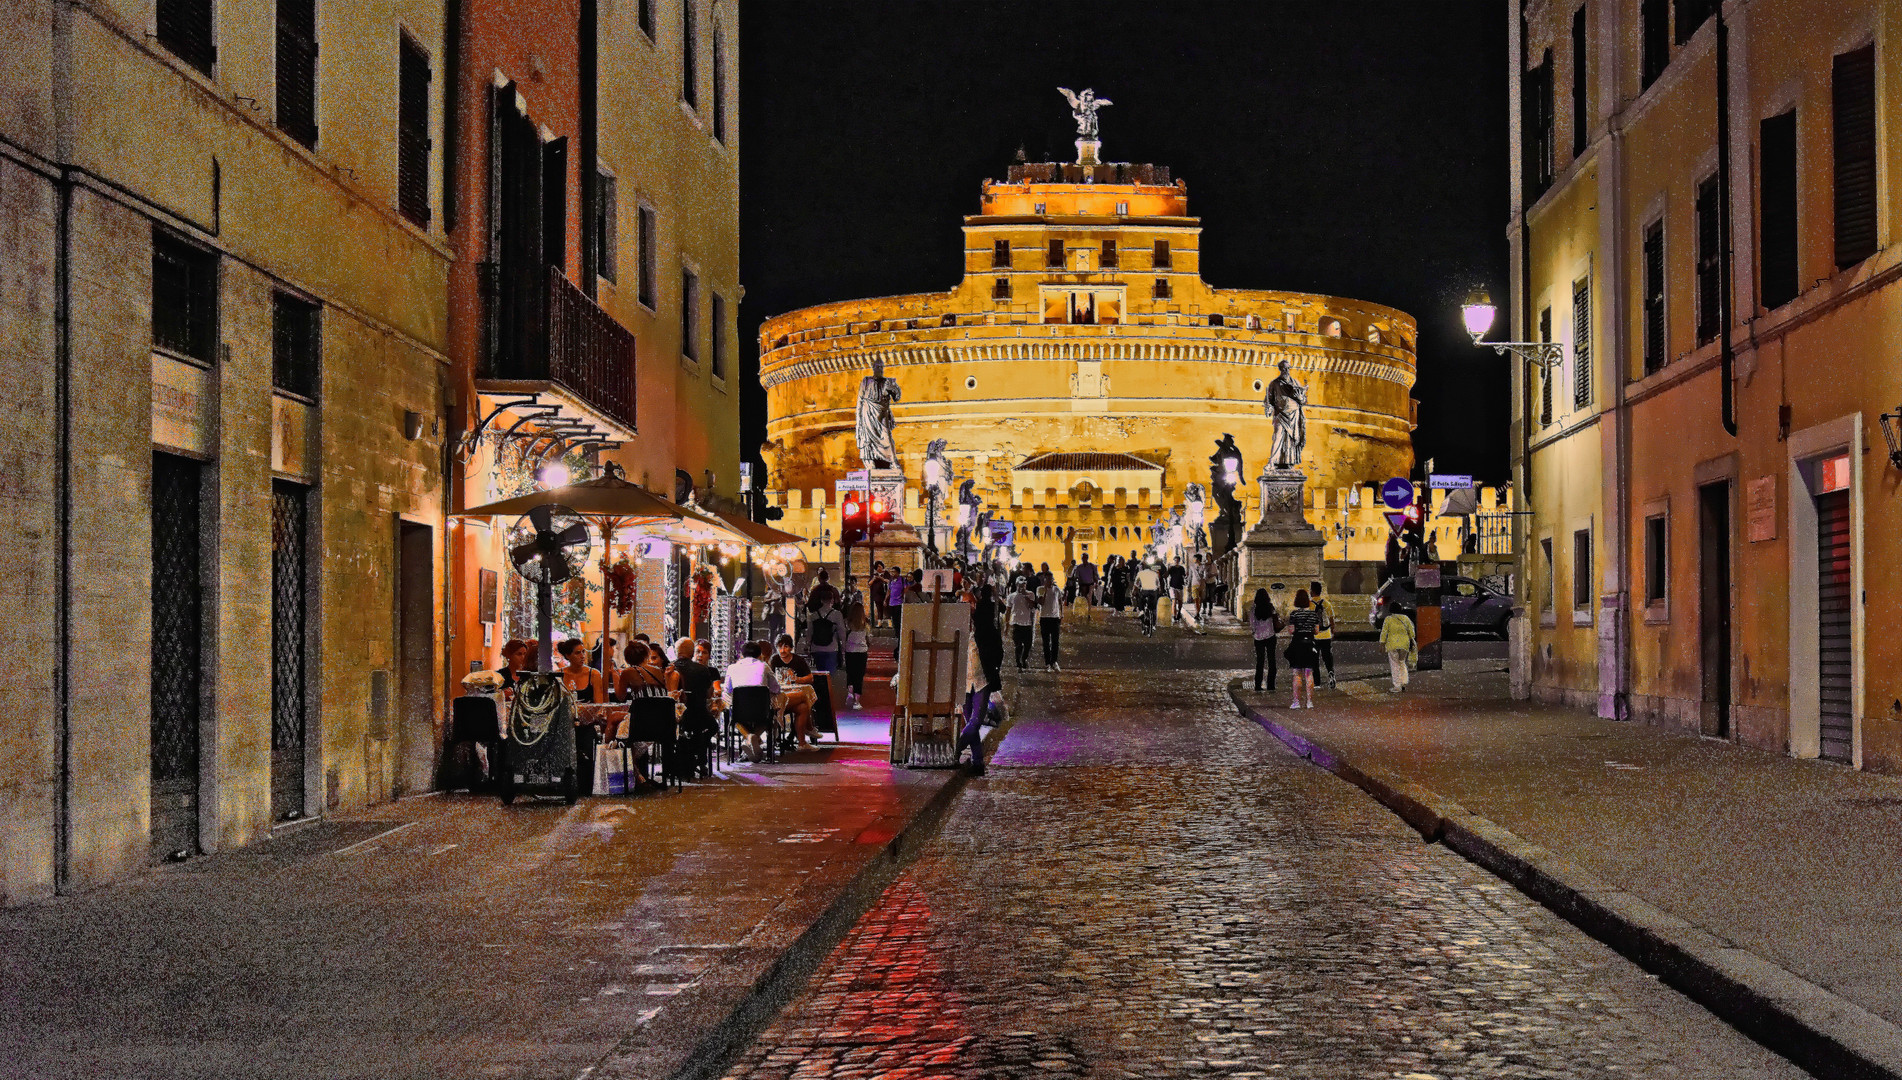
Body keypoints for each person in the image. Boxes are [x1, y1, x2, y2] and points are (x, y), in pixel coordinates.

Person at [669, 636, 721, 775]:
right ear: (692, 653)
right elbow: (709, 694)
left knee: (692, 730)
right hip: (698, 715)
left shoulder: (669, 668)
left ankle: (688, 753)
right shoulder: (702, 670)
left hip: (672, 717)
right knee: (712, 727)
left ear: (676, 651)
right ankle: (698, 753)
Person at [724, 640, 773, 760]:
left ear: (742, 655)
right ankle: (754, 736)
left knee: (734, 716)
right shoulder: (764, 666)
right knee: (767, 718)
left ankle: (748, 737)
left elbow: (727, 689)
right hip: (762, 711)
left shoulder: (732, 668)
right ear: (759, 654)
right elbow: (776, 688)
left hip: (739, 711)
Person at [769, 634, 818, 748]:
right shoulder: (774, 659)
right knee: (803, 701)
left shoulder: (798, 660)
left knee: (803, 706)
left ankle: (801, 742)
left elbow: (810, 678)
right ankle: (809, 729)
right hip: (778, 698)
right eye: (780, 647)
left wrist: (797, 679)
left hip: (790, 696)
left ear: (791, 648)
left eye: (785, 647)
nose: (782, 650)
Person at [1284, 589, 1321, 709]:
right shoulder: (1313, 614)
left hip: (1298, 644)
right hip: (1310, 644)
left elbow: (1291, 630)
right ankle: (1309, 702)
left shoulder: (1294, 614)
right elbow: (1316, 631)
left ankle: (1296, 702)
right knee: (1309, 674)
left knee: (1297, 674)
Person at [1249, 588, 1282, 693]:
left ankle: (1258, 685)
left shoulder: (1254, 609)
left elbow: (1252, 624)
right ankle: (1271, 685)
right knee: (1272, 661)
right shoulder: (1270, 607)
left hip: (1258, 637)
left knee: (1260, 661)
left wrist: (1255, 632)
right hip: (1270, 636)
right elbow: (1276, 618)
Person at [840, 600, 871, 709]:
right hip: (861, 652)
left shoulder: (847, 623)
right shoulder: (865, 624)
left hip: (850, 651)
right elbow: (869, 639)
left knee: (850, 672)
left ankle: (850, 691)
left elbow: (843, 638)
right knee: (859, 675)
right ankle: (857, 701)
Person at [806, 594, 846, 674]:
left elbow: (809, 632)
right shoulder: (837, 614)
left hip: (816, 647)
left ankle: (821, 686)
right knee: (829, 675)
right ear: (832, 600)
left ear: (821, 600)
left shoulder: (814, 615)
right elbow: (841, 631)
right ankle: (827, 686)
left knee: (820, 673)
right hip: (832, 648)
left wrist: (807, 645)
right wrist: (843, 646)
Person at [1309, 579, 1338, 690]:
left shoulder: (1310, 605)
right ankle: (1330, 672)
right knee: (1327, 657)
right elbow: (1331, 619)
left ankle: (1317, 683)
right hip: (1326, 635)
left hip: (1315, 636)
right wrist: (1332, 631)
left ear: (1313, 591)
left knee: (1315, 659)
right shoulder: (1327, 603)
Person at [1382, 608, 1418, 693]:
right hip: (1404, 644)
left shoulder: (1389, 619)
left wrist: (1382, 643)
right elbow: (1412, 633)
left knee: (1394, 664)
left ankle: (1397, 686)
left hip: (1393, 644)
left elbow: (1384, 632)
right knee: (1402, 662)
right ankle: (1404, 682)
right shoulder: (1406, 618)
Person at [1036, 569, 1064, 671]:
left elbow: (1060, 602)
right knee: (1046, 642)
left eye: (1051, 579)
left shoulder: (1057, 590)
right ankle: (1047, 663)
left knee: (1055, 641)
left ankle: (1054, 662)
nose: (1049, 581)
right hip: (1044, 618)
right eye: (1047, 579)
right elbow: (1041, 602)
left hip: (1055, 618)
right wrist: (1045, 591)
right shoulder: (1040, 589)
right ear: (1044, 579)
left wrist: (1062, 613)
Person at [1008, 579, 1038, 669]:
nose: (1022, 587)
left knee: (1028, 644)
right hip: (1016, 623)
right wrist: (1007, 624)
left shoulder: (1030, 594)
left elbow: (1032, 606)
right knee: (1018, 644)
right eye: (1020, 585)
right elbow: (1008, 610)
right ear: (1017, 585)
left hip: (1027, 623)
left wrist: (1026, 597)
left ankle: (1024, 658)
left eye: (1024, 585)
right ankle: (1018, 662)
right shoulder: (1011, 596)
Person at [1134, 560, 1162, 634]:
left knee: (1140, 600)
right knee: (1153, 609)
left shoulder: (1140, 573)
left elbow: (1136, 584)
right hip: (1153, 592)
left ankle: (1141, 611)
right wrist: (1159, 591)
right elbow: (1158, 585)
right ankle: (1153, 625)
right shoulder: (1154, 573)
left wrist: (1134, 591)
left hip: (1144, 592)